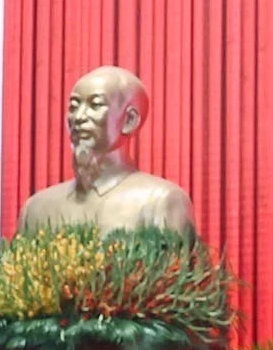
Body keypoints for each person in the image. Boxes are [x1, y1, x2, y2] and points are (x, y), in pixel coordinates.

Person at [17, 66, 196, 235]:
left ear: (129, 120)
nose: (78, 118)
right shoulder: (35, 209)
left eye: (95, 105)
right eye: (73, 106)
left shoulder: (161, 201)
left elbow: (175, 267)